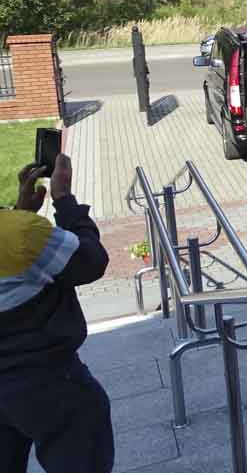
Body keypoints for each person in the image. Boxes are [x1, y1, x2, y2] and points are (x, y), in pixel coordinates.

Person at [1, 154, 113, 473]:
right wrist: (64, 200)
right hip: (50, 385)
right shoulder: (19, 234)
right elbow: (90, 261)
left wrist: (20, 213)